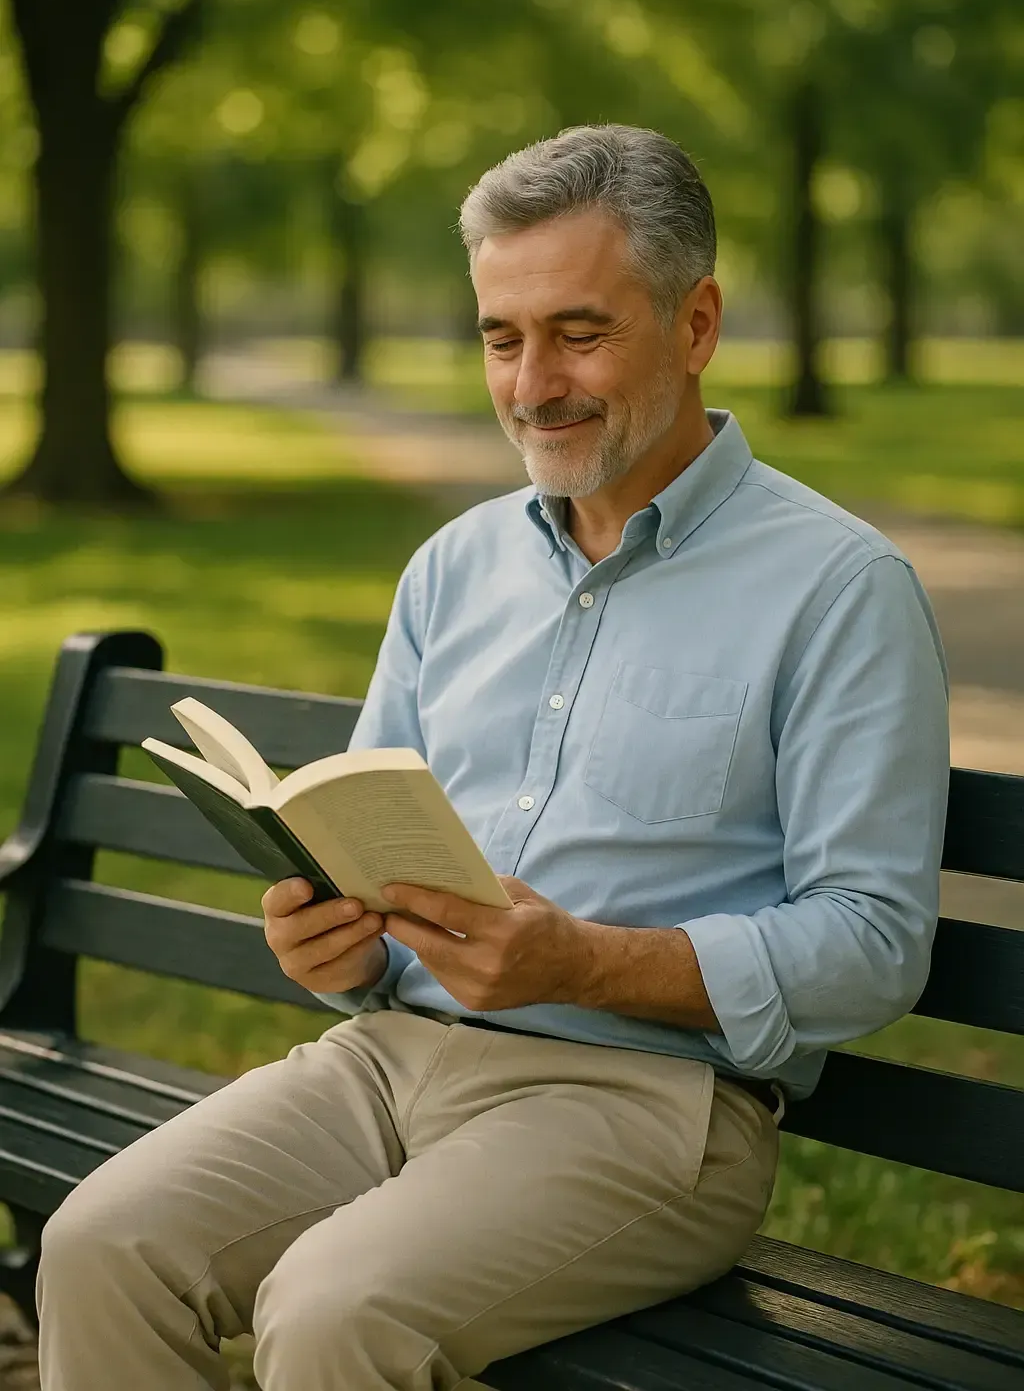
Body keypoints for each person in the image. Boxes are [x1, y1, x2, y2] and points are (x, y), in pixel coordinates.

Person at [36, 124, 950, 1391]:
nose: (532, 385)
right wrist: (331, 940)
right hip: (386, 1058)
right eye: (499, 337)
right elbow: (359, 830)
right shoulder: (452, 567)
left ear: (695, 325)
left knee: (332, 1316)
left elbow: (873, 939)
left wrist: (589, 960)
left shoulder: (840, 588)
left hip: (648, 1108)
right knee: (98, 1246)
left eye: (579, 333)